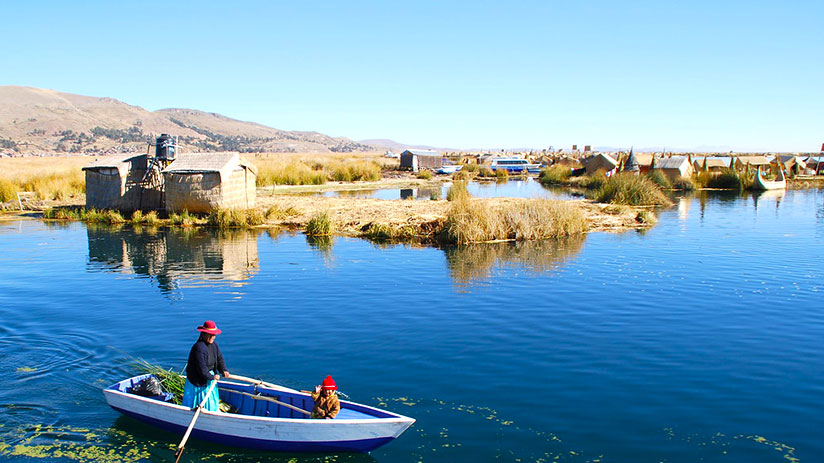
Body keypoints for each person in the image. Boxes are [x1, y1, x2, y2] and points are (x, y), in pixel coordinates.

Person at [181, 320, 230, 412]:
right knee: (200, 402)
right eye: (210, 335)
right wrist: (212, 377)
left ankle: (211, 411)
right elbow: (201, 369)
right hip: (198, 380)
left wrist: (223, 370)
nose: (213, 337)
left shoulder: (214, 345)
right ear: (203, 334)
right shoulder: (199, 348)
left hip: (209, 378)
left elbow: (219, 359)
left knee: (211, 401)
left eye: (214, 335)